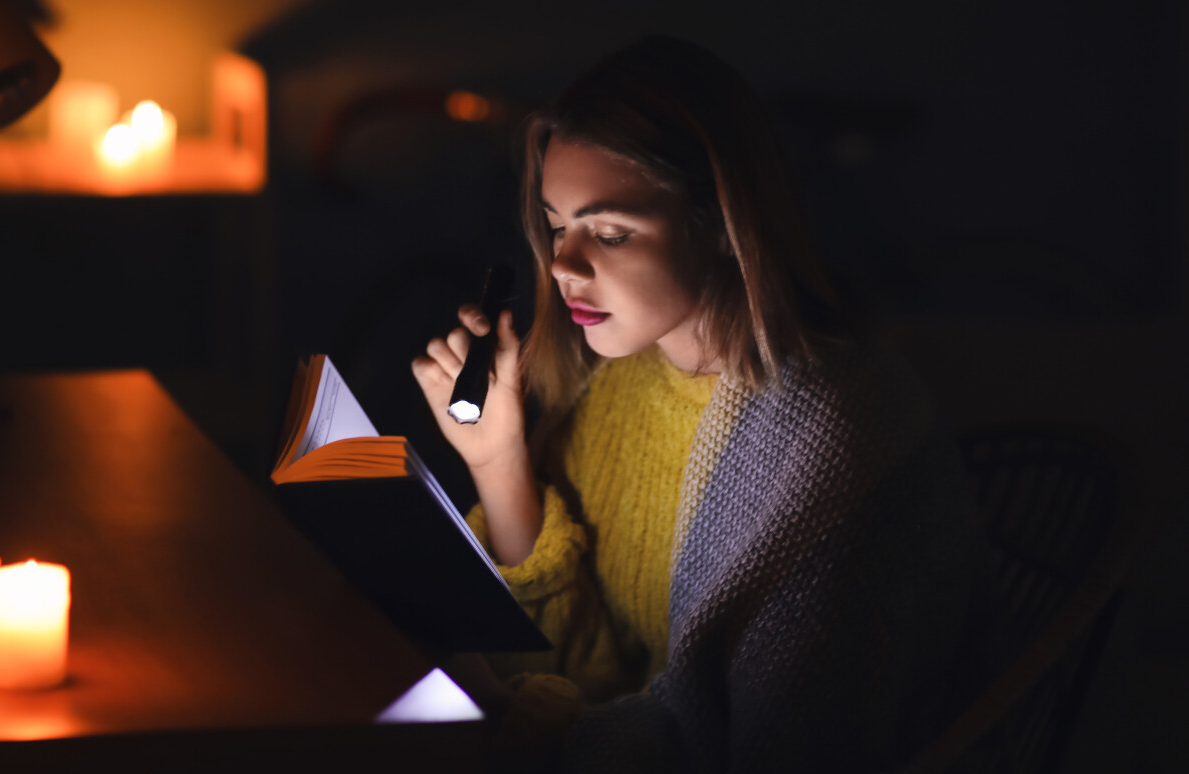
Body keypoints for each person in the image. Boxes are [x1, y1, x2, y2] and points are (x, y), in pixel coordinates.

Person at [411, 36, 991, 772]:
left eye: (610, 232)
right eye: (557, 227)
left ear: (719, 222)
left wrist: (515, 724)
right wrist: (498, 461)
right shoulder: (616, 383)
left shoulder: (822, 440)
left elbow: (771, 749)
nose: (561, 265)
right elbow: (590, 671)